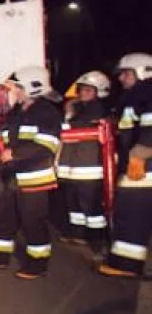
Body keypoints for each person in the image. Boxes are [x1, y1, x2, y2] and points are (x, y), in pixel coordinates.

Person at [0, 65, 63, 279]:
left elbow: (46, 145)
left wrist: (15, 154)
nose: (14, 91)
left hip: (33, 178)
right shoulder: (16, 112)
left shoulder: (47, 113)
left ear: (32, 88)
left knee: (33, 221)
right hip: (9, 175)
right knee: (2, 217)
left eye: (17, 88)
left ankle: (37, 265)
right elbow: (5, 139)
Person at [98, 52, 152, 278]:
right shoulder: (134, 95)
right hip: (140, 163)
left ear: (141, 72)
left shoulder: (146, 91)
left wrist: (139, 156)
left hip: (144, 166)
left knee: (132, 213)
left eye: (125, 74)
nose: (121, 79)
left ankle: (128, 265)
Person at [56, 70, 111, 259]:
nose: (83, 93)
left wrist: (68, 117)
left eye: (88, 90)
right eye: (81, 90)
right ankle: (77, 234)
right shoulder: (79, 107)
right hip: (73, 165)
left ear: (98, 92)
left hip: (88, 166)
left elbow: (78, 126)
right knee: (74, 202)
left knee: (91, 205)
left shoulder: (97, 109)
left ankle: (98, 239)